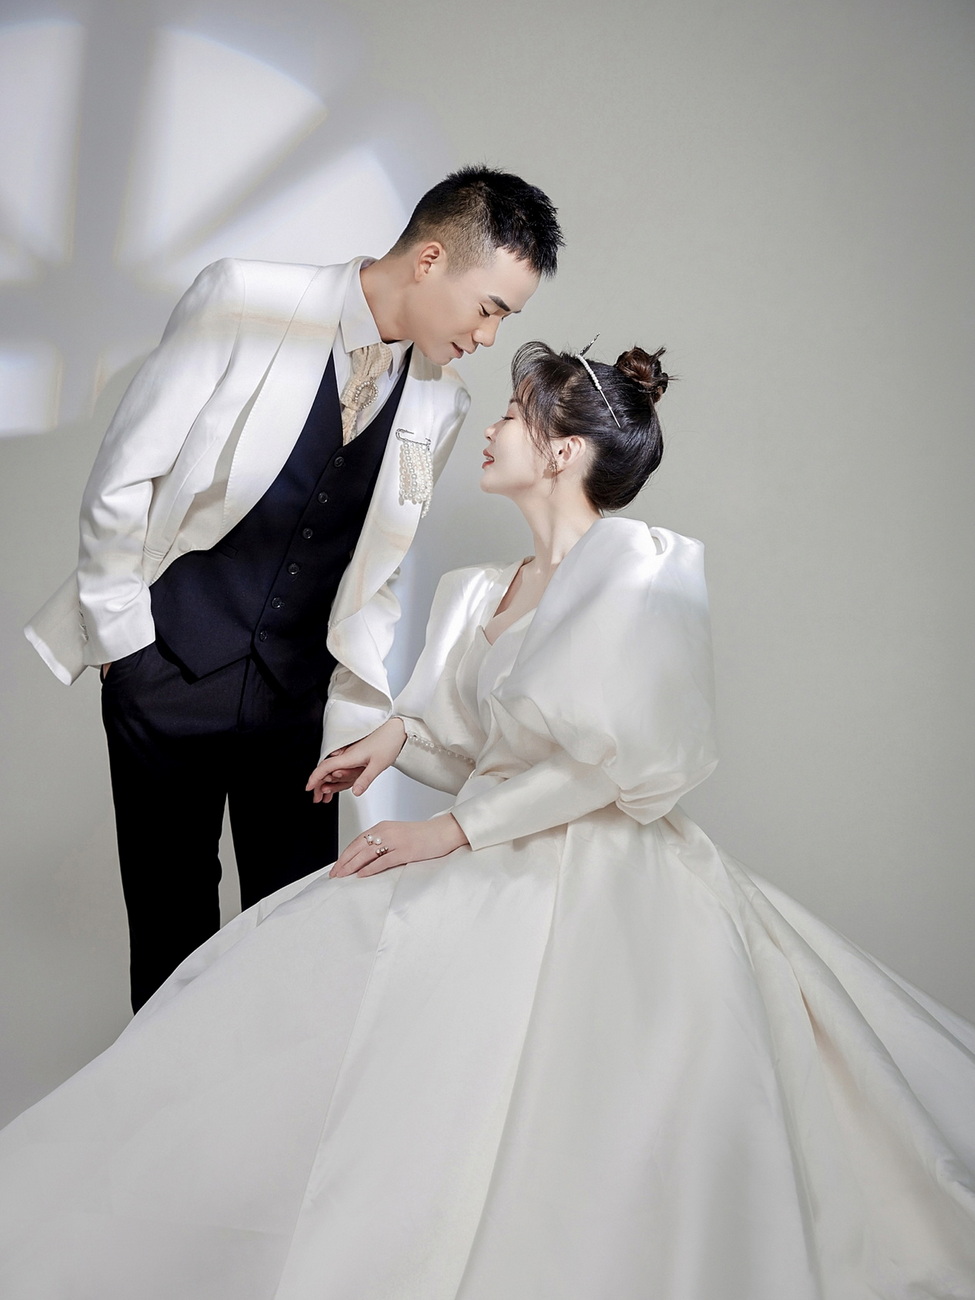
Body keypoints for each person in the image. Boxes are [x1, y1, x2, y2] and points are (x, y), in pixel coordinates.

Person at [3, 340, 974, 1299]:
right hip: (489, 845)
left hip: (598, 870)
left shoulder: (641, 565)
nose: (493, 426)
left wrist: (445, 833)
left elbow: (611, 763)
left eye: (513, 414)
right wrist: (393, 740)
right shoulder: (476, 591)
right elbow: (481, 754)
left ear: (562, 450)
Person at [23, 166, 563, 1010]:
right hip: (166, 671)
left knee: (299, 932)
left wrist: (354, 712)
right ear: (430, 260)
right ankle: (170, 1098)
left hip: (299, 701)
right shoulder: (243, 299)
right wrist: (126, 648)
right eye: (489, 308)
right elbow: (125, 476)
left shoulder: (442, 404)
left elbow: (376, 572)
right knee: (170, 928)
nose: (489, 337)